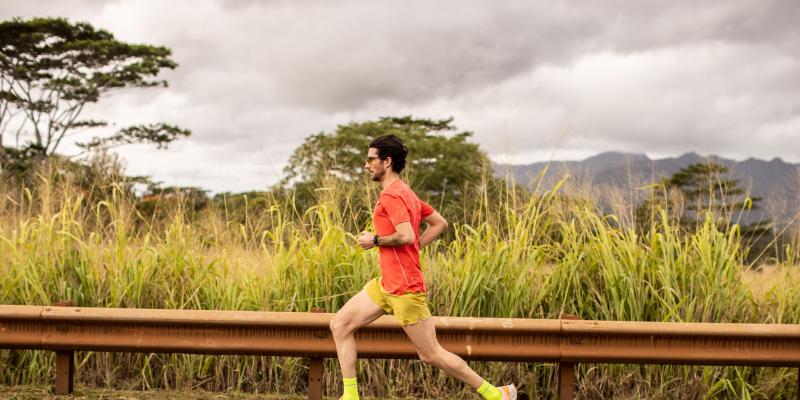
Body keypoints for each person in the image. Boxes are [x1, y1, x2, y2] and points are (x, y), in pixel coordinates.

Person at [329, 134, 517, 400]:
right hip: (387, 285)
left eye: (371, 159)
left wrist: (374, 240)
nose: (366, 164)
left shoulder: (392, 196)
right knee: (340, 325)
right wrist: (412, 249)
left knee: (430, 354)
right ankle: (350, 396)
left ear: (387, 161)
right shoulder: (407, 192)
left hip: (405, 289)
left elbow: (405, 235)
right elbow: (440, 223)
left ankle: (496, 394)